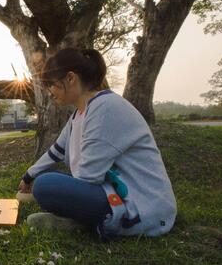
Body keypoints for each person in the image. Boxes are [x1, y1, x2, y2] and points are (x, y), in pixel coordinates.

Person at [18, 48, 176, 238]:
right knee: (48, 182)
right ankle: (82, 221)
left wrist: (57, 192)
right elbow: (57, 151)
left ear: (70, 78)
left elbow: (88, 176)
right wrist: (28, 176)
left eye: (51, 84)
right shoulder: (80, 113)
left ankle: (86, 222)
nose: (49, 92)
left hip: (143, 206)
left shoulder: (105, 107)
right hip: (112, 192)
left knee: (46, 185)